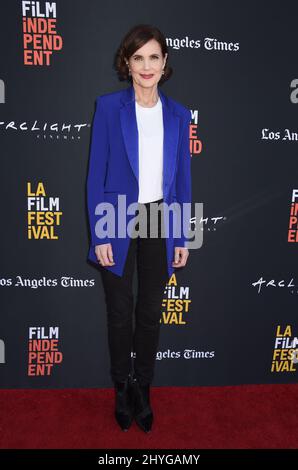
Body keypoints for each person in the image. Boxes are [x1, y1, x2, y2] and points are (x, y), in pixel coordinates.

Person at [86, 24, 192, 433]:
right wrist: (99, 235)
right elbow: (96, 178)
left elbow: (183, 182)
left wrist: (182, 235)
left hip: (160, 218)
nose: (146, 66)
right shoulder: (108, 107)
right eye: (138, 58)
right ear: (127, 64)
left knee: (149, 314)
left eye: (154, 57)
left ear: (164, 63)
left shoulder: (180, 115)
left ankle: (143, 389)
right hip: (115, 216)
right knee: (118, 313)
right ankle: (120, 387)